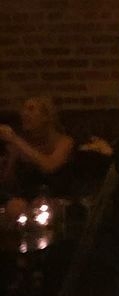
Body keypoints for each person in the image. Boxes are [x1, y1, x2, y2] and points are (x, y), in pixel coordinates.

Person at [0, 95, 76, 224]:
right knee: (14, 207)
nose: (24, 114)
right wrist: (7, 162)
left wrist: (15, 139)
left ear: (46, 117)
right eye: (23, 109)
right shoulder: (20, 145)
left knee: (34, 207)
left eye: (31, 109)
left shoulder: (65, 142)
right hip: (25, 200)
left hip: (58, 198)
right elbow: (8, 183)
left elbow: (49, 166)